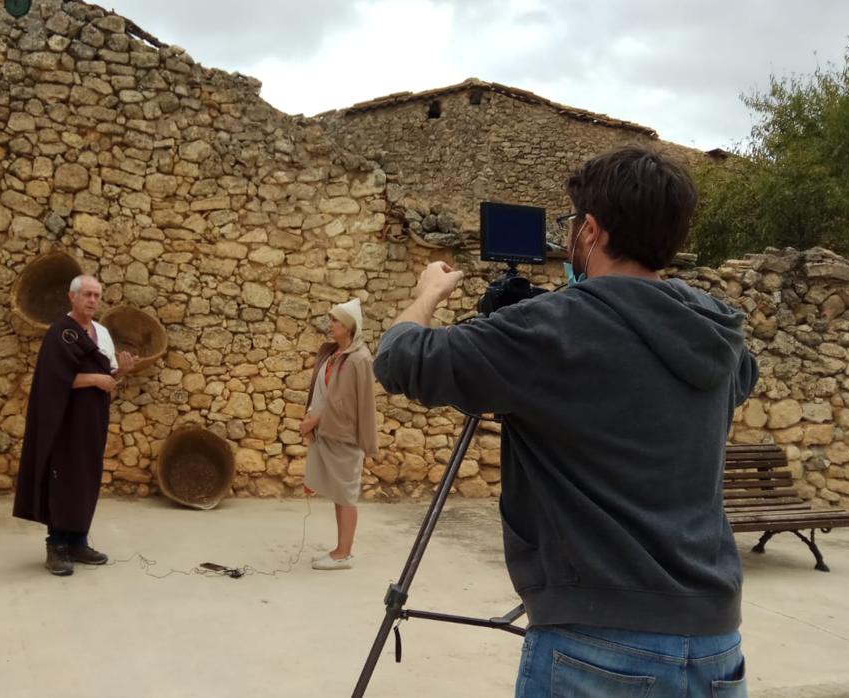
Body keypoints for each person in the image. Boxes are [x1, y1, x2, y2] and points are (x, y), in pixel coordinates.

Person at [373, 146, 758, 696]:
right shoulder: (716, 331)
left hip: (597, 644)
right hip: (717, 644)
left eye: (571, 224)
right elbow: (738, 375)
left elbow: (399, 358)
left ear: (591, 232)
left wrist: (425, 296)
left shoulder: (550, 330)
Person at [13, 275, 138, 576]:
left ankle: (79, 541)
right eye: (87, 294)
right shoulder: (60, 333)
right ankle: (56, 546)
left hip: (92, 419)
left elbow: (107, 375)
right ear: (72, 297)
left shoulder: (102, 333)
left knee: (86, 476)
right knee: (63, 477)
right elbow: (53, 380)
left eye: (96, 295)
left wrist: (121, 371)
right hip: (63, 420)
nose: (93, 300)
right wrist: (96, 379)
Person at [301, 298, 379, 571]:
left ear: (348, 326)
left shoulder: (359, 359)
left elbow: (354, 404)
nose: (330, 324)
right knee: (338, 494)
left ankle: (344, 554)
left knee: (346, 494)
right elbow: (324, 393)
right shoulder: (334, 354)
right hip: (328, 434)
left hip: (344, 436)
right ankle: (339, 549)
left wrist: (313, 422)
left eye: (335, 320)